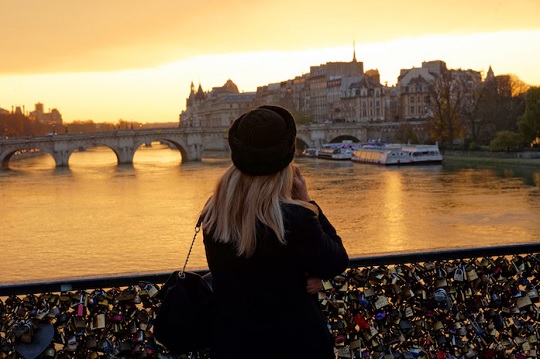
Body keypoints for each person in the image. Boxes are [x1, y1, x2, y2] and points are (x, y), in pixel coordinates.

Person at [200, 105, 349, 359]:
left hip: (233, 344)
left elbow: (245, 272)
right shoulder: (294, 220)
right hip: (294, 344)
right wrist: (308, 202)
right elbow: (336, 259)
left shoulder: (214, 215)